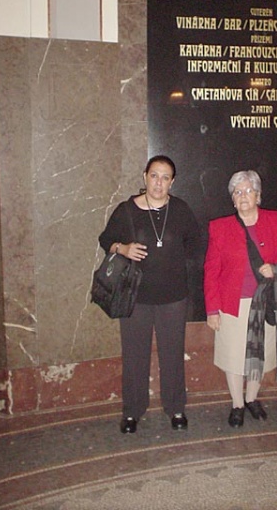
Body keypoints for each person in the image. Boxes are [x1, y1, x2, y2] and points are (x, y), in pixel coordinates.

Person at [98, 155, 200, 434]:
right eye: (154, 175)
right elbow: (105, 239)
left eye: (165, 177)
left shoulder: (180, 209)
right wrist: (123, 248)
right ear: (144, 177)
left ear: (172, 182)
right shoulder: (126, 210)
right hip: (136, 297)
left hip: (173, 298)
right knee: (134, 355)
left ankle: (176, 408)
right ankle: (132, 411)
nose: (159, 182)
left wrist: (174, 258)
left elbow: (194, 243)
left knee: (172, 354)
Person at [204, 170, 277, 428]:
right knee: (235, 358)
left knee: (260, 355)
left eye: (248, 191)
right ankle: (237, 404)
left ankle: (252, 398)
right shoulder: (220, 227)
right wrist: (212, 309)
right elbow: (211, 271)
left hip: (268, 303)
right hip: (233, 304)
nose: (243, 196)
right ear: (232, 200)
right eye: (237, 192)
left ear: (258, 195)